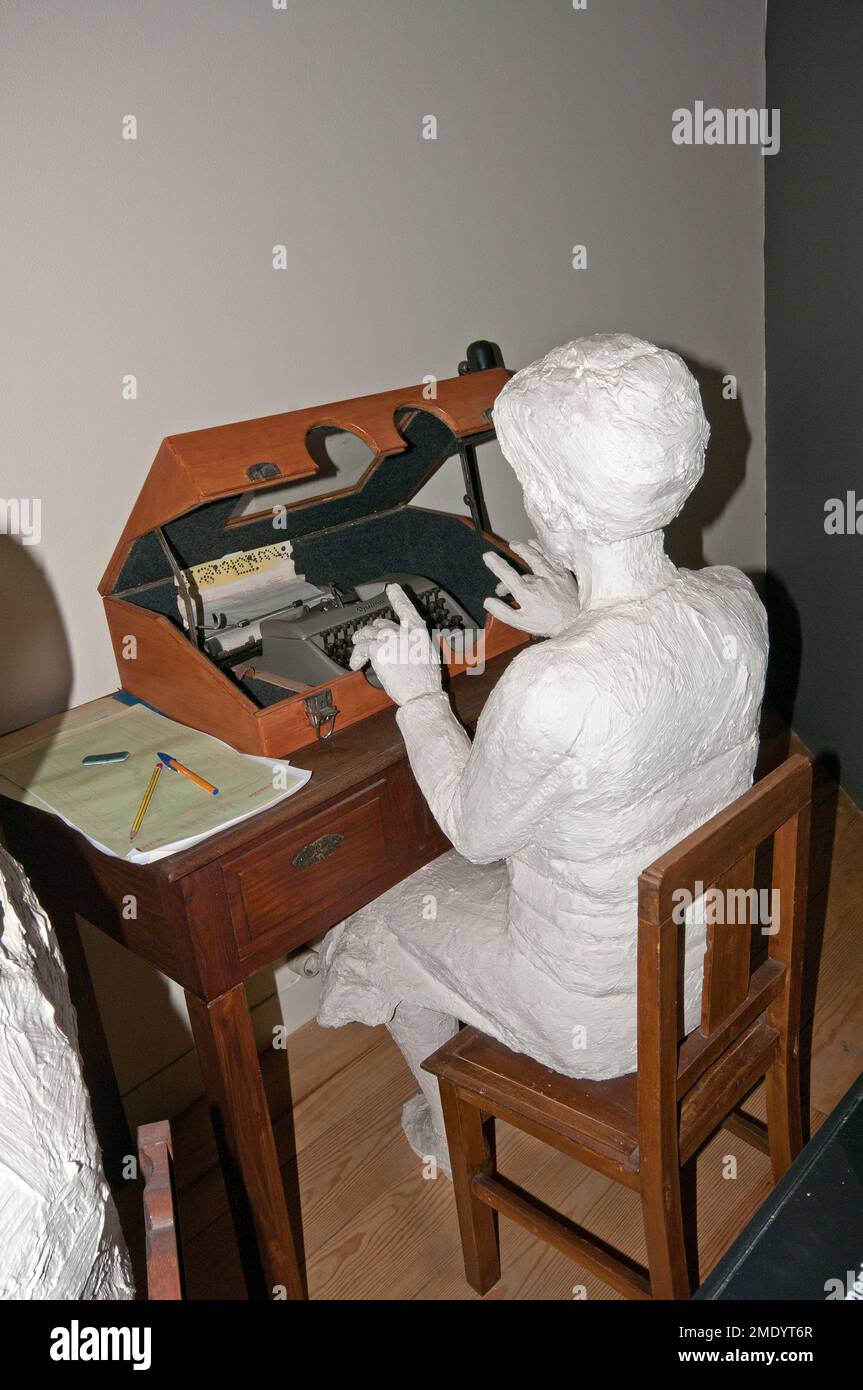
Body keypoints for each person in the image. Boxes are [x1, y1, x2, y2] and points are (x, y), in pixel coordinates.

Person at [317, 334, 767, 1174]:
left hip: (594, 1016)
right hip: (708, 963)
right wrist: (580, 622)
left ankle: (441, 1130)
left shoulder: (550, 689)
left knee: (371, 917)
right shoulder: (738, 605)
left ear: (555, 505)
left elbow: (474, 836)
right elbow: (653, 693)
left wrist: (415, 693)